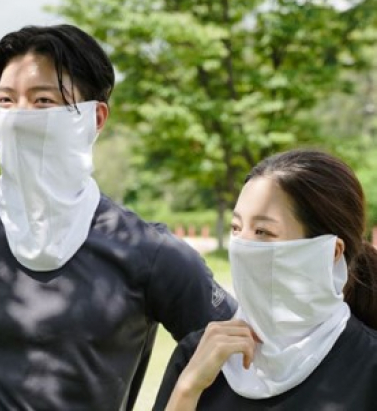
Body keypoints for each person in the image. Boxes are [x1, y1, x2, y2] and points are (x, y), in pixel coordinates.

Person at [0, 24, 237, 411]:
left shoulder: (147, 252)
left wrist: (183, 395)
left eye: (42, 101)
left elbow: (245, 361)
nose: (19, 117)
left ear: (96, 118)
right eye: (6, 101)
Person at [153, 148, 377, 411]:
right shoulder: (199, 354)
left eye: (262, 231)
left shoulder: (369, 367)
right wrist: (188, 388)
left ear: (330, 253)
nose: (242, 246)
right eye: (236, 228)